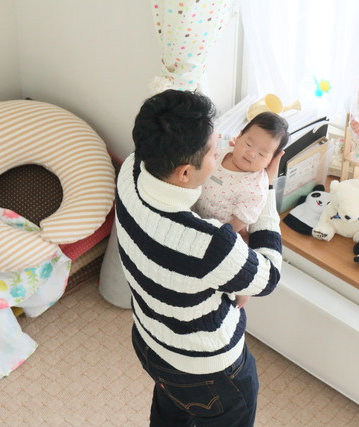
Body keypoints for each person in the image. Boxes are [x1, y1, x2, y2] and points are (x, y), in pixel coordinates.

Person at [115, 89, 283, 427]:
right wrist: (265, 187)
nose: (221, 146)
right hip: (207, 372)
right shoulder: (211, 245)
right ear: (184, 174)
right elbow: (268, 277)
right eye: (212, 151)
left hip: (150, 341)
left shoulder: (132, 170)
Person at [193, 111, 289, 235]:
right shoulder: (221, 152)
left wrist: (217, 235)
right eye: (248, 144)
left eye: (261, 154)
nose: (251, 154)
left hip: (216, 233)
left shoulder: (256, 188)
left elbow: (237, 223)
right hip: (193, 214)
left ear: (271, 160)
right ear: (239, 136)